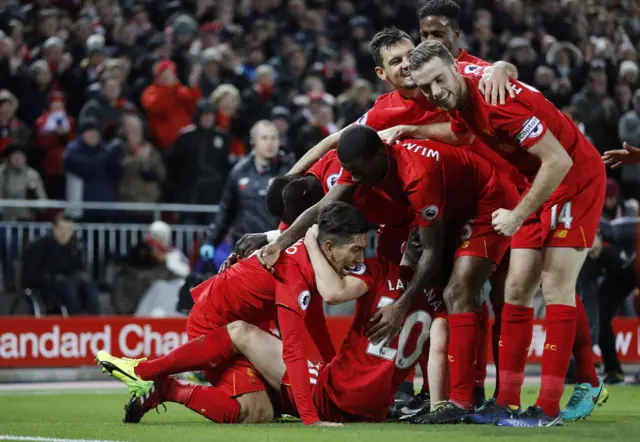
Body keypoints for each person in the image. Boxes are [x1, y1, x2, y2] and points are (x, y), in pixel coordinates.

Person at [407, 40, 607, 426]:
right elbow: (463, 134)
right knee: (516, 289)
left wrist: (517, 214)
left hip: (574, 178)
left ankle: (547, 407)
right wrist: (412, 129)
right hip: (538, 184)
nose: (434, 92)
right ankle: (506, 401)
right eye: (426, 87)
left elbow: (559, 159)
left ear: (454, 67)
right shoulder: (460, 93)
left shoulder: (496, 101)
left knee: (555, 284)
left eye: (437, 80)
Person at [118, 227, 449, 425]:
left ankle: (160, 381)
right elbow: (436, 355)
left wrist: (311, 241)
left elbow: (332, 294)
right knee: (254, 405)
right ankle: (155, 380)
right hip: (362, 408)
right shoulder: (441, 303)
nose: (358, 257)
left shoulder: (377, 272)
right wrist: (438, 407)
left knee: (249, 373)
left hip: (335, 393)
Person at [96, 202, 369, 427]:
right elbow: (294, 349)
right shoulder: (296, 273)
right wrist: (311, 419)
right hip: (214, 328)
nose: (360, 260)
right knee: (254, 413)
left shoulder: (314, 262)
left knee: (264, 410)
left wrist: (334, 368)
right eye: (356, 250)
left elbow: (315, 322)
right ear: (330, 247)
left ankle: (153, 380)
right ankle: (155, 380)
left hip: (243, 327)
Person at [199, 120, 293, 259]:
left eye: (274, 138)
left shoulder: (290, 170)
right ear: (253, 142)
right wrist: (210, 241)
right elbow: (226, 210)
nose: (270, 143)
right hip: (245, 248)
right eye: (264, 138)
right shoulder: (239, 171)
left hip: (277, 247)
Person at [22, 212, 100, 315]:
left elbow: (79, 268)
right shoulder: (39, 246)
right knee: (67, 286)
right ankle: (75, 321)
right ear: (53, 228)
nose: (64, 234)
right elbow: (31, 272)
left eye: (68, 230)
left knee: (88, 283)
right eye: (61, 229)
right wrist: (51, 278)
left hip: (70, 282)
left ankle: (94, 320)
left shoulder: (74, 247)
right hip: (46, 286)